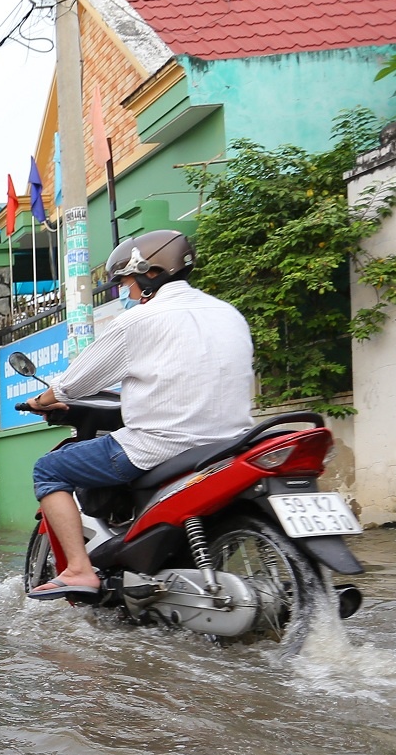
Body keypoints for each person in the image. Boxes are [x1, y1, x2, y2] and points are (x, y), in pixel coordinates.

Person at [23, 229, 254, 600]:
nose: (126, 293)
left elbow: (75, 382)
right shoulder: (229, 314)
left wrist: (43, 400)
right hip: (232, 444)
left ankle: (80, 570)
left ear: (150, 273)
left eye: (126, 283)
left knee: (48, 470)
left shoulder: (139, 321)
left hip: (160, 445)